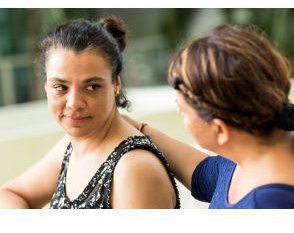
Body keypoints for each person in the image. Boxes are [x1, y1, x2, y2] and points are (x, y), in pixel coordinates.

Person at [0, 17, 180, 209]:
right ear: (46, 87)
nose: (74, 103)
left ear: (116, 84)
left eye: (92, 87)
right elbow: (10, 194)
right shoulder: (71, 148)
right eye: (60, 87)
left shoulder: (134, 169)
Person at [124, 24, 294, 208]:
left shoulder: (270, 204)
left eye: (183, 112)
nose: (179, 113)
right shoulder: (251, 153)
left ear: (220, 130)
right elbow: (207, 176)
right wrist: (136, 129)